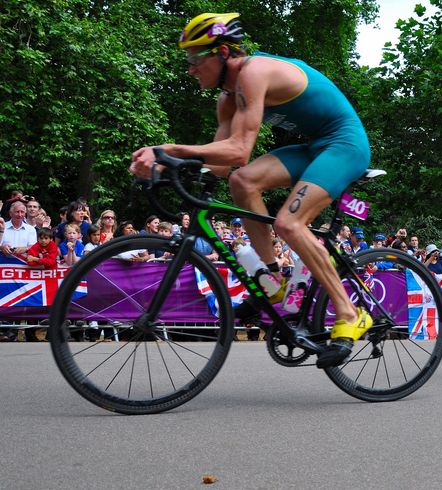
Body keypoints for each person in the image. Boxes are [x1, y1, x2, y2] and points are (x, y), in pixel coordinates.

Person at [129, 12, 372, 368]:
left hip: (344, 144)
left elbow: (240, 149)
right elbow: (221, 166)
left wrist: (170, 150)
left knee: (290, 224)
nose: (191, 69)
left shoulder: (255, 72)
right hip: (314, 147)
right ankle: (274, 280)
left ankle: (349, 313)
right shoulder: (227, 98)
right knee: (241, 181)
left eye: (196, 59)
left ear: (223, 52)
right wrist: (170, 168)